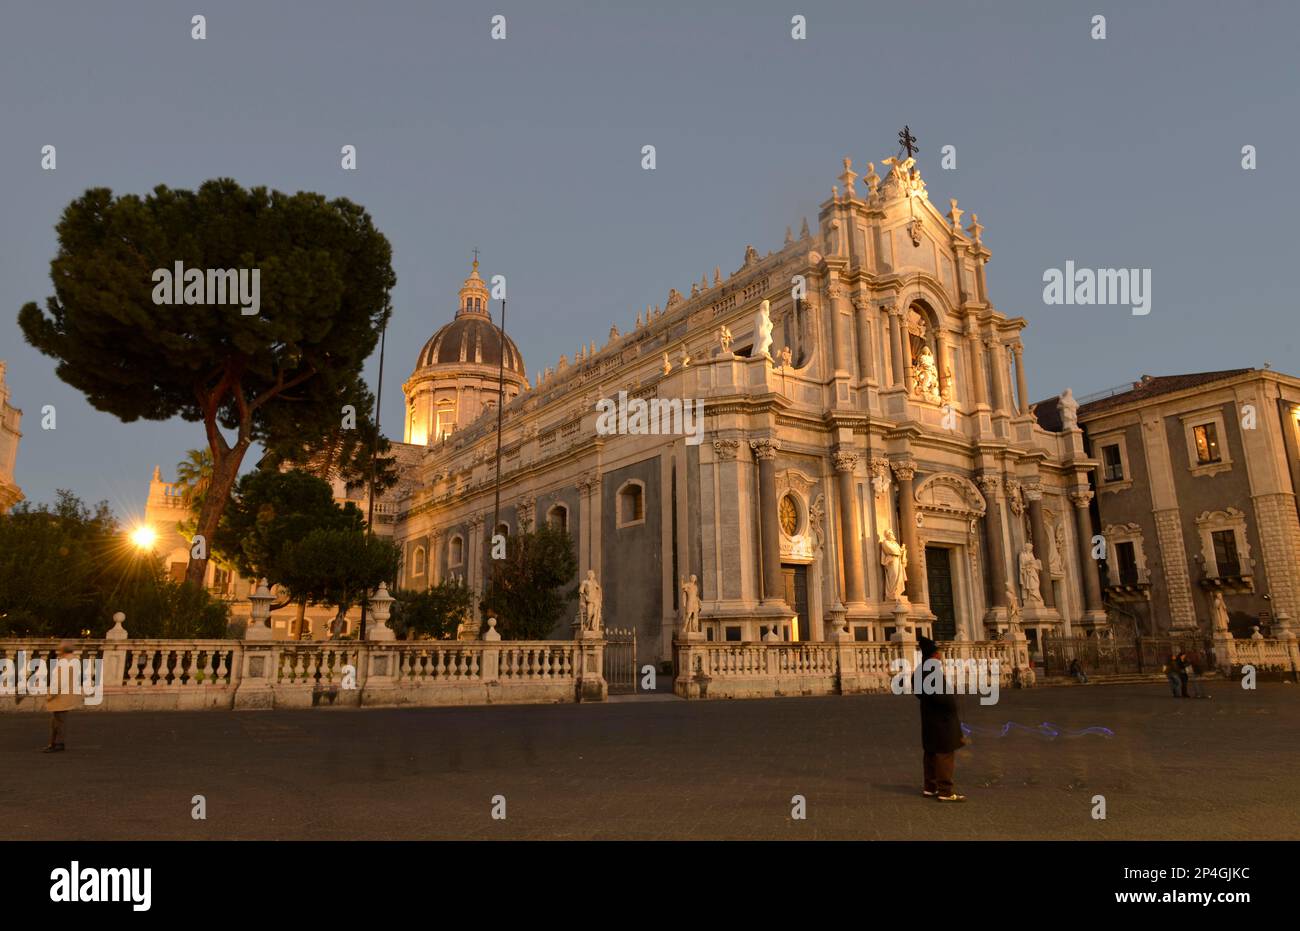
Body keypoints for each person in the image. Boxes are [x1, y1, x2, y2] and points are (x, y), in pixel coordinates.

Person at [915, 636, 966, 802]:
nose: (940, 656)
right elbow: (943, 698)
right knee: (944, 753)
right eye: (938, 653)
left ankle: (930, 787)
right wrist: (953, 707)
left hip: (928, 716)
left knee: (930, 752)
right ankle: (945, 790)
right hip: (942, 719)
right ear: (934, 655)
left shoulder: (919, 670)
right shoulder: (933, 672)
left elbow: (917, 691)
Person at [44, 641, 81, 753]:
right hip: (68, 693)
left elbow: (59, 681)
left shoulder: (64, 662)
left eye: (60, 649)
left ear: (63, 650)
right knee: (59, 720)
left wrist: (51, 694)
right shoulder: (74, 660)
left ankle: (57, 743)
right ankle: (55, 743)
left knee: (58, 721)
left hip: (61, 695)